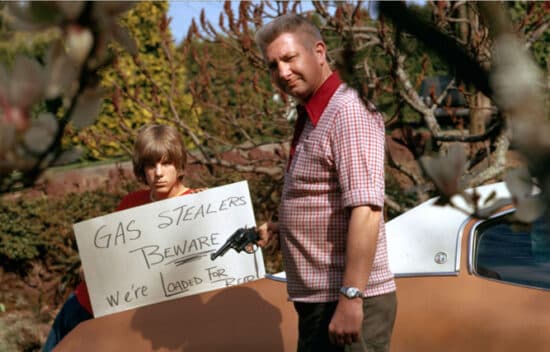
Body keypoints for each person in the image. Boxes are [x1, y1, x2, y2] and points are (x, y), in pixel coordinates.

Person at [254, 14, 397, 352]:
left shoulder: (349, 110)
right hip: (321, 302)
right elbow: (326, 200)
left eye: (289, 58)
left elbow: (367, 210)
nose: (282, 72)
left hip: (344, 300)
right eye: (273, 65)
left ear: (319, 52)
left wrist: (351, 298)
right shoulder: (313, 115)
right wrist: (283, 228)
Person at [43, 124, 197, 351]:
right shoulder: (130, 203)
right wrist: (91, 267)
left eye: (166, 163)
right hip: (85, 305)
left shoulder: (199, 205)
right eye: (150, 165)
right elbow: (107, 258)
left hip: (138, 326)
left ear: (180, 164)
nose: (158, 172)